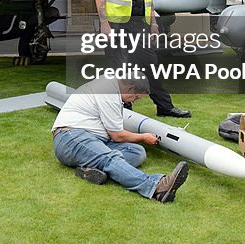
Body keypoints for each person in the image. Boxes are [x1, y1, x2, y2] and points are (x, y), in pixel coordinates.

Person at [52, 77, 190, 203]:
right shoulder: (108, 92)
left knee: (137, 152)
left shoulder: (113, 90)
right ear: (130, 88)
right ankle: (156, 188)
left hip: (94, 139)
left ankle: (88, 170)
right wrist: (143, 137)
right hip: (70, 137)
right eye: (136, 97)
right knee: (110, 158)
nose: (133, 101)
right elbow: (117, 135)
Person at [95, 0, 190, 118]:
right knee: (120, 70)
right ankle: (124, 111)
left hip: (139, 25)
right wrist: (104, 23)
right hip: (116, 25)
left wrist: (153, 23)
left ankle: (165, 107)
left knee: (150, 64)